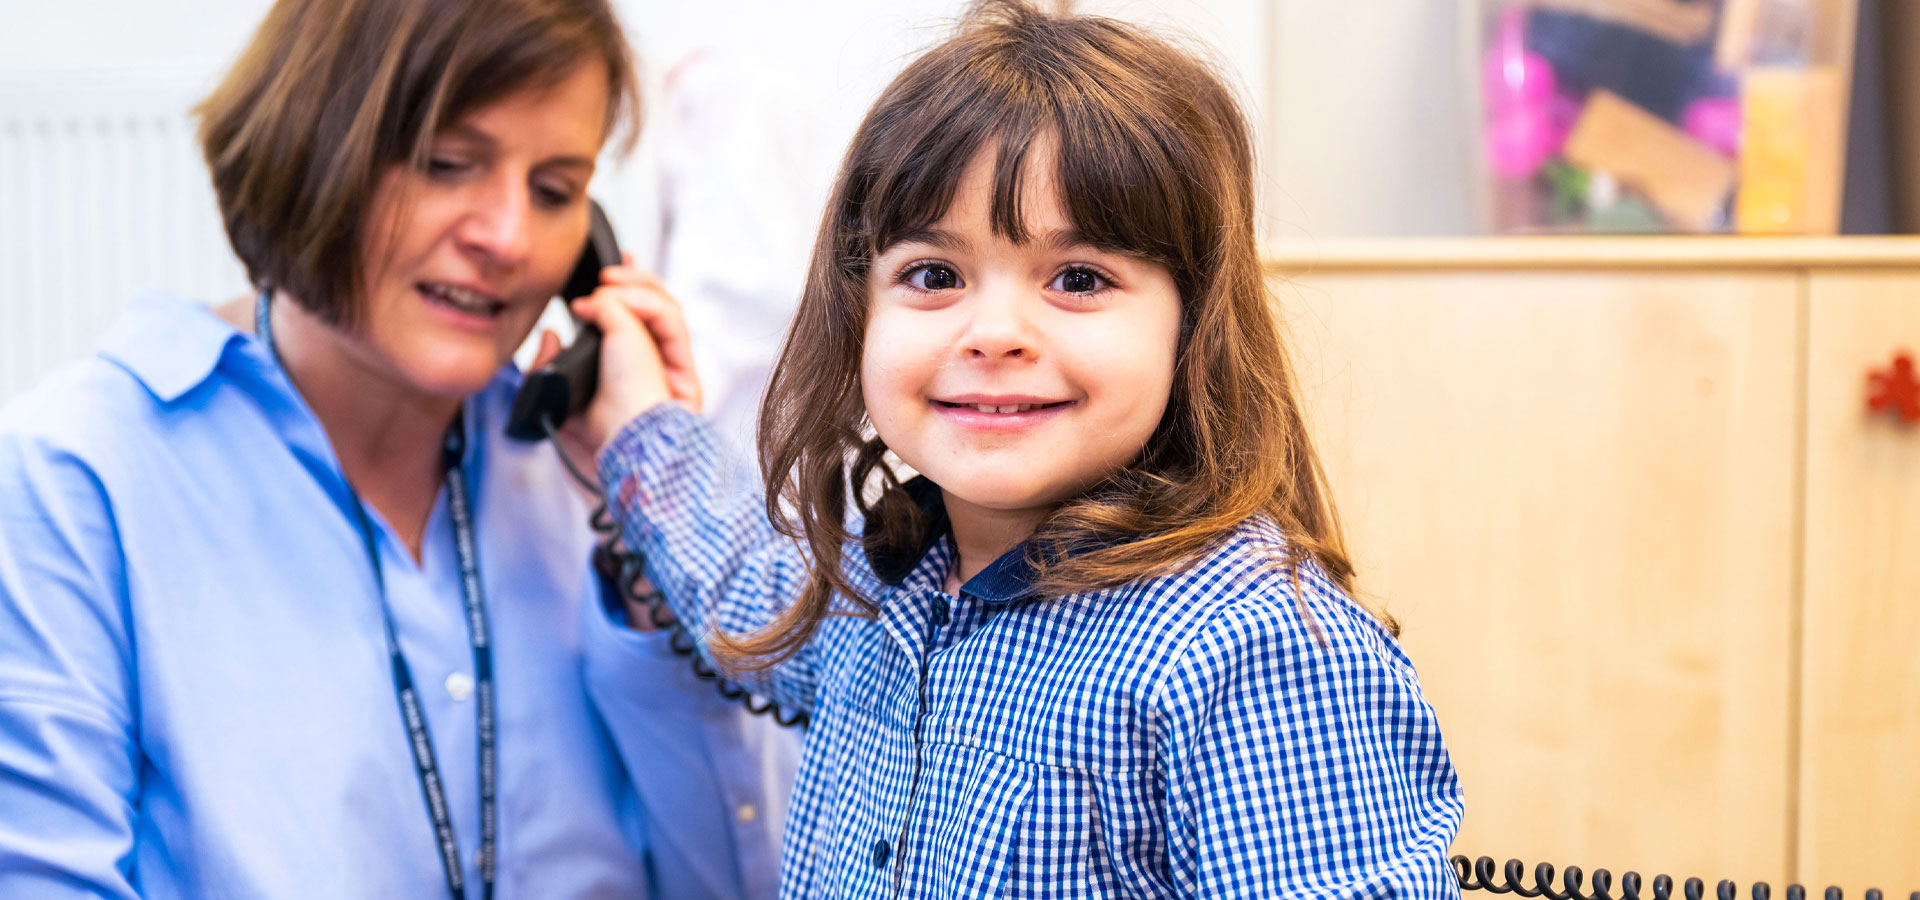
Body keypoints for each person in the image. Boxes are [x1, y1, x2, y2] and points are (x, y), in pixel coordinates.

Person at [559, 1, 1465, 896]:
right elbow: (745, 595)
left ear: (1192, 327)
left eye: (1079, 279)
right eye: (934, 275)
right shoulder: (889, 581)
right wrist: (641, 424)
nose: (994, 333)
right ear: (857, 311)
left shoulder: (1253, 652)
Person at [0, 0, 792, 897]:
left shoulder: (584, 474)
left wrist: (649, 535)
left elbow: (730, 883)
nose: (507, 239)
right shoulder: (76, 479)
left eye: (555, 190)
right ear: (309, 150)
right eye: (447, 165)